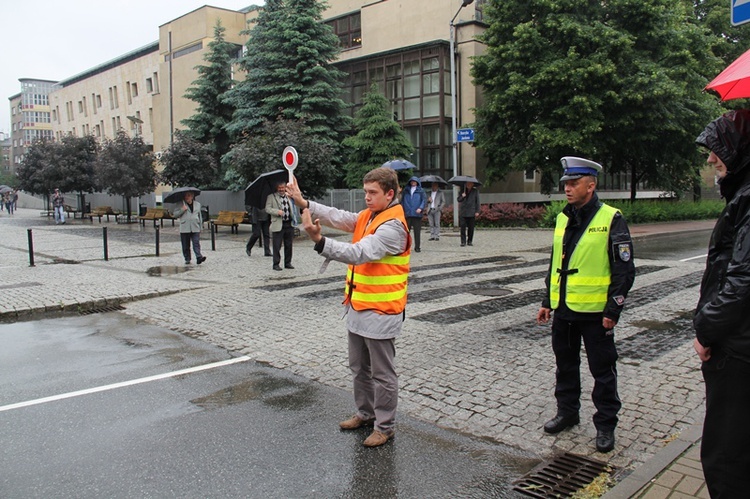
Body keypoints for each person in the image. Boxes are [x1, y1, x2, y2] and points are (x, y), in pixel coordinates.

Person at [286, 167, 410, 447]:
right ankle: (365, 414)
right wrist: (303, 202)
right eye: (365, 191)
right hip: (358, 306)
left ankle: (385, 426)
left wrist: (319, 241)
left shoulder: (393, 226)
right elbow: (338, 217)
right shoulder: (369, 216)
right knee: (359, 367)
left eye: (372, 193)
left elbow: (357, 253)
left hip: (382, 312)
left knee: (382, 374)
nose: (366, 197)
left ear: (390, 194)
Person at [536, 156, 635, 453]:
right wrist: (547, 301)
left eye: (573, 183)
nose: (567, 188)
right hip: (565, 309)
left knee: (602, 371)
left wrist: (613, 308)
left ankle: (605, 425)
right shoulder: (563, 217)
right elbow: (557, 263)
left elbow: (624, 269)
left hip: (596, 314)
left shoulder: (611, 218)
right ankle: (567, 412)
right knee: (565, 366)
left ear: (590, 186)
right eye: (565, 183)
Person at [693, 109, 750, 496]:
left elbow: (742, 279)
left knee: (725, 458)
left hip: (737, 352)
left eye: (717, 149)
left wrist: (704, 328)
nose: (711, 159)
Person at [265, 182, 296, 271]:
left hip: (288, 223)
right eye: (279, 188)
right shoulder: (271, 197)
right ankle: (276, 264)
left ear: (285, 187)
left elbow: (293, 206)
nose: (281, 189)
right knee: (277, 245)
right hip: (278, 224)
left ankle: (288, 263)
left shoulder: (288, 196)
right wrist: (277, 212)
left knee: (289, 244)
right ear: (277, 188)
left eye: (283, 187)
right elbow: (267, 209)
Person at [173, 191, 205, 265]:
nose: (187, 197)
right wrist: (182, 210)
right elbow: (175, 215)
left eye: (189, 195)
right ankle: (187, 258)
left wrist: (201, 227)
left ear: (192, 196)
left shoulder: (197, 204)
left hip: (195, 226)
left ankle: (199, 257)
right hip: (185, 227)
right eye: (186, 195)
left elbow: (199, 216)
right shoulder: (180, 204)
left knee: (196, 243)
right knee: (185, 245)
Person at [400, 176, 426, 252]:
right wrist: (403, 210)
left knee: (417, 232)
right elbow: (402, 201)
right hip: (408, 214)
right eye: (412, 181)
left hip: (417, 215)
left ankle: (417, 247)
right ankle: (406, 247)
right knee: (406, 232)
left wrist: (420, 208)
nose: (413, 183)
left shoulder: (421, 191)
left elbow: (423, 201)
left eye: (414, 181)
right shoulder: (406, 191)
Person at [457, 181, 480, 246]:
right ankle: (463, 241)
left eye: (470, 184)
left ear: (472, 184)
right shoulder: (462, 191)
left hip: (471, 212)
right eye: (467, 183)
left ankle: (469, 241)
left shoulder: (475, 191)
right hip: (463, 212)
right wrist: (462, 196)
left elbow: (477, 201)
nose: (468, 185)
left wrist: (477, 211)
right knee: (462, 227)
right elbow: (458, 200)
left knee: (471, 228)